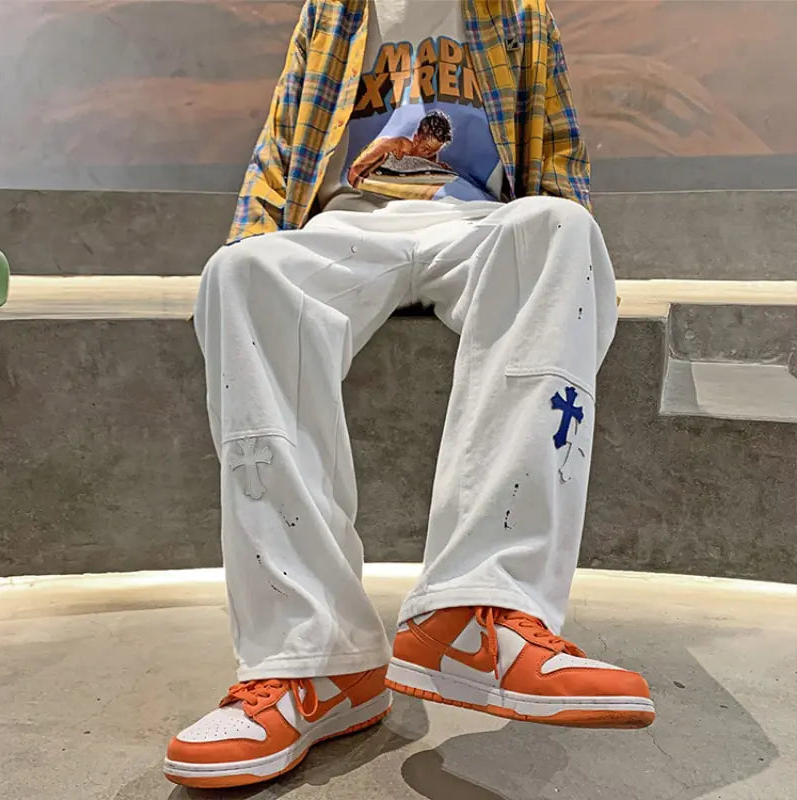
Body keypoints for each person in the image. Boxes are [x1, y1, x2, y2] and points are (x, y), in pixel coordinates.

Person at [164, 0, 655, 789]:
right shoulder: (331, 10)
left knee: (564, 230)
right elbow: (282, 141)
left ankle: (479, 609)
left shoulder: (516, 9)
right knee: (239, 271)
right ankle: (313, 661)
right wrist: (251, 233)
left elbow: (557, 145)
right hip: (348, 226)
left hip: (479, 222)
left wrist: (579, 268)